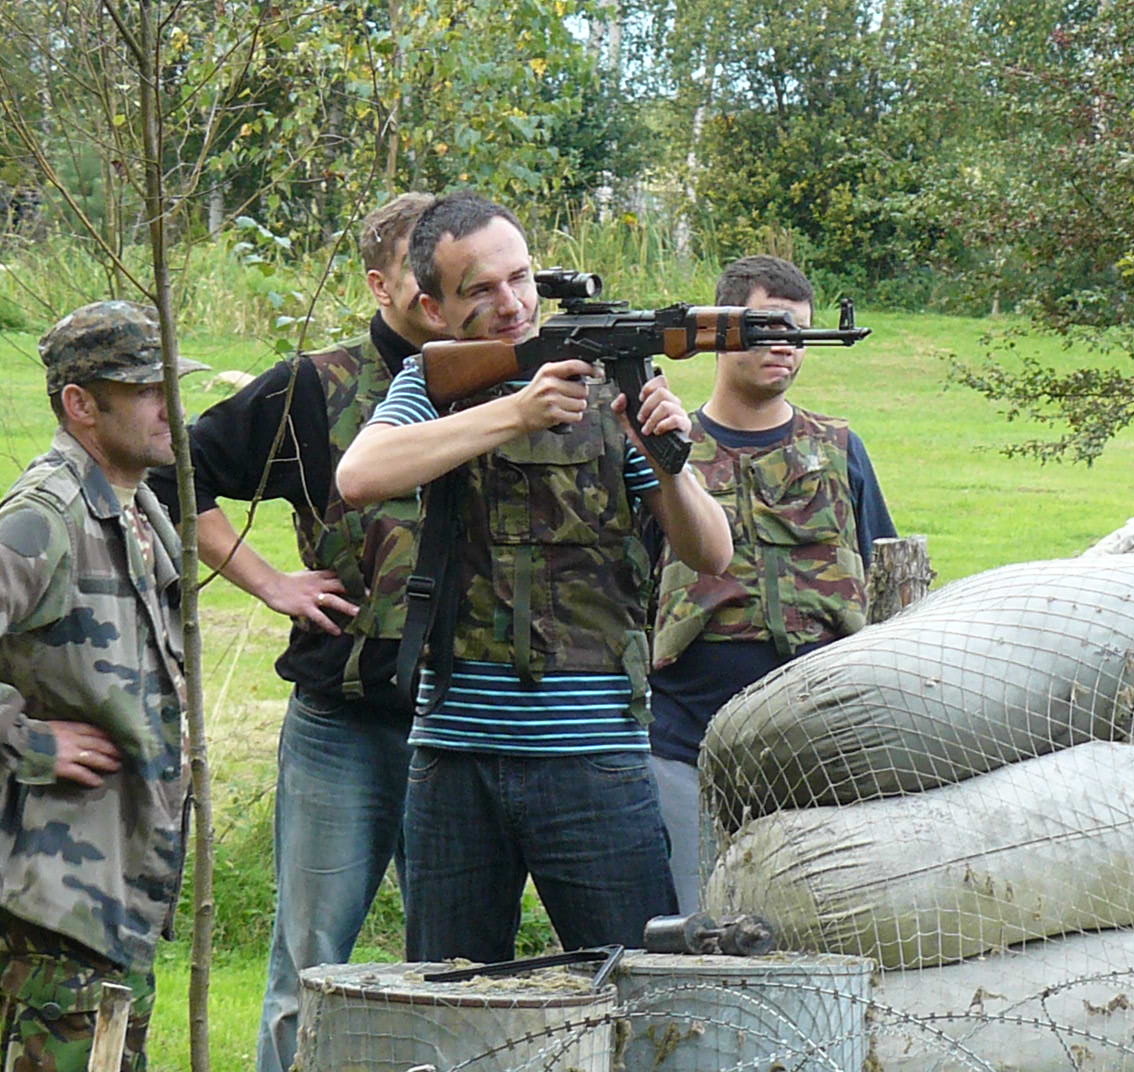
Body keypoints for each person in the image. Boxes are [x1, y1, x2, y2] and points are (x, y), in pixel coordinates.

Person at [335, 192, 733, 963]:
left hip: (596, 755)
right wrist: (519, 412)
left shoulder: (608, 388)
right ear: (432, 306)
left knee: (636, 992)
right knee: (451, 1005)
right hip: (456, 756)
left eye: (520, 278)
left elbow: (710, 552)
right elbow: (361, 475)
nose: (511, 303)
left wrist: (665, 454)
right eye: (480, 289)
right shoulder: (432, 384)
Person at [147, 193, 437, 1072]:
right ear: (380, 282)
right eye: (422, 266)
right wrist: (268, 580)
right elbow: (170, 478)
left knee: (459, 969)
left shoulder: (514, 384)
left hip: (468, 726)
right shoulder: (315, 386)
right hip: (342, 719)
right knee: (308, 968)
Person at [0, 301, 203, 1072]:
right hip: (60, 872)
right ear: (81, 405)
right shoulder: (49, 513)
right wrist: (25, 739)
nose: (170, 406)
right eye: (146, 389)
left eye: (172, 385)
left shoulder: (138, 508)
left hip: (115, 861)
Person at [647, 254, 897, 908]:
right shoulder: (665, 448)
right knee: (693, 933)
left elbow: (887, 579)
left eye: (800, 333)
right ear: (721, 331)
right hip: (686, 743)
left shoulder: (839, 450)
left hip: (820, 751)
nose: (785, 347)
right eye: (768, 329)